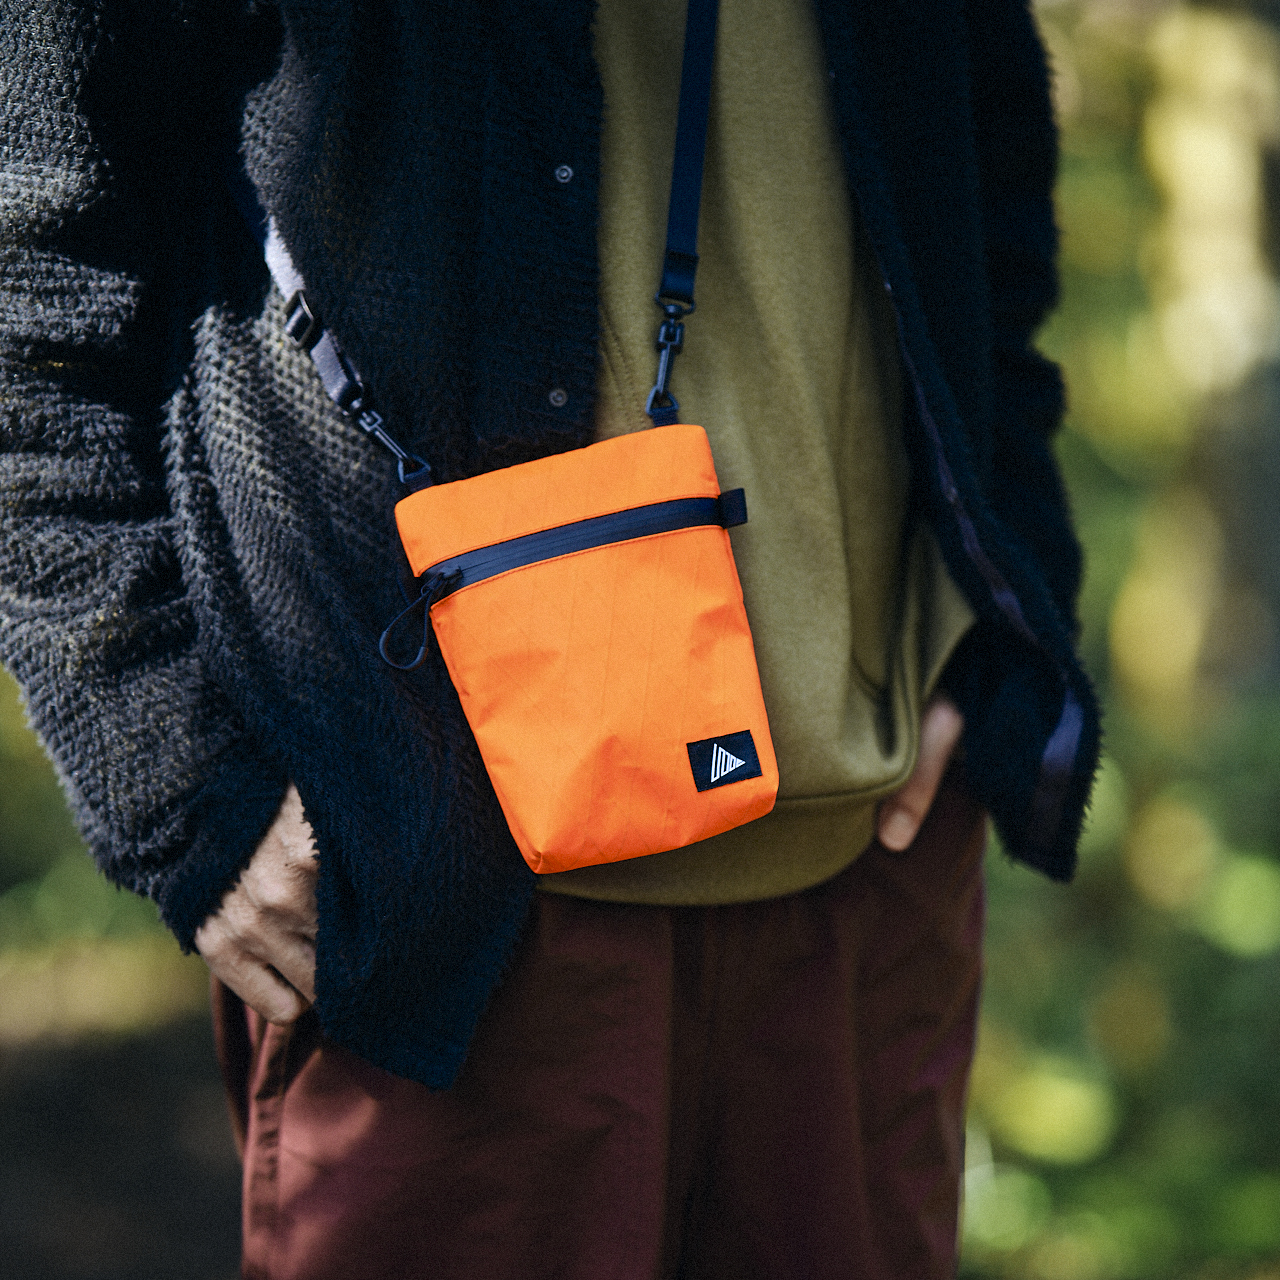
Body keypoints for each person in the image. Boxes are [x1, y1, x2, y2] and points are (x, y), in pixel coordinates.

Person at [0, 0, 1099, 1276]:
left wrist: (994, 607)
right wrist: (171, 776)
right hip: (445, 904)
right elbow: (40, 260)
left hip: (869, 866)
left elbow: (987, 183)